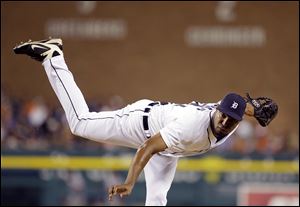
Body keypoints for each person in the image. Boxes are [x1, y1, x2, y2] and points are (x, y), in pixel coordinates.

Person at [13, 38, 277, 206]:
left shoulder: (233, 115)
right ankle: (54, 57)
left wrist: (256, 111)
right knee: (80, 123)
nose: (226, 122)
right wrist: (130, 181)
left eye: (233, 120)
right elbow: (148, 147)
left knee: (157, 200)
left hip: (169, 147)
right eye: (224, 116)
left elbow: (238, 108)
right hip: (143, 126)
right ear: (217, 110)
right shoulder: (192, 125)